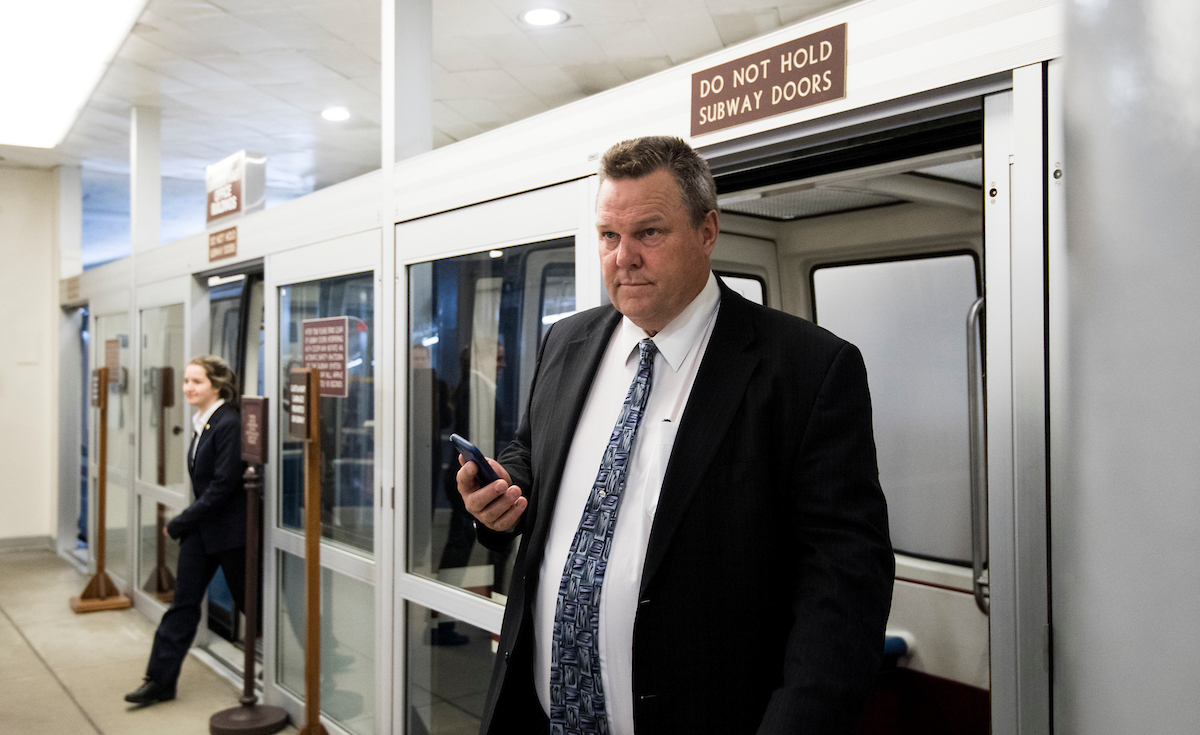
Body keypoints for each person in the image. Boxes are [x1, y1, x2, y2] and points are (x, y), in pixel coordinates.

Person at [456, 136, 894, 734]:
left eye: (649, 233)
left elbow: (844, 587)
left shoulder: (807, 368)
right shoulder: (567, 342)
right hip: (542, 714)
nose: (623, 257)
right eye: (609, 236)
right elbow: (530, 453)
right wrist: (501, 499)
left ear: (707, 231)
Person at [125, 355, 248, 705]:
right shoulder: (203, 422)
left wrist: (181, 522)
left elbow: (224, 485)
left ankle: (284, 678)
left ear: (217, 385)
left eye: (197, 382)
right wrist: (190, 522)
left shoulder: (229, 423)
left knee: (252, 606)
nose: (188, 388)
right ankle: (160, 681)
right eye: (186, 381)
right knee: (182, 605)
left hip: (229, 533)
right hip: (203, 532)